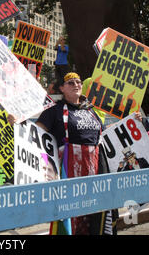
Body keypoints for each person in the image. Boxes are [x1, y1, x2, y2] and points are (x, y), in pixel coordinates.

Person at [35, 72, 112, 235]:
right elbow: (34, 135)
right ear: (62, 88)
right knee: (70, 216)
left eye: (78, 82)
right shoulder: (54, 111)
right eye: (70, 83)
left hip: (94, 172)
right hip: (68, 172)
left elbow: (105, 137)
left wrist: (133, 121)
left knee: (93, 215)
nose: (76, 85)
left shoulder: (91, 111)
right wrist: (16, 124)